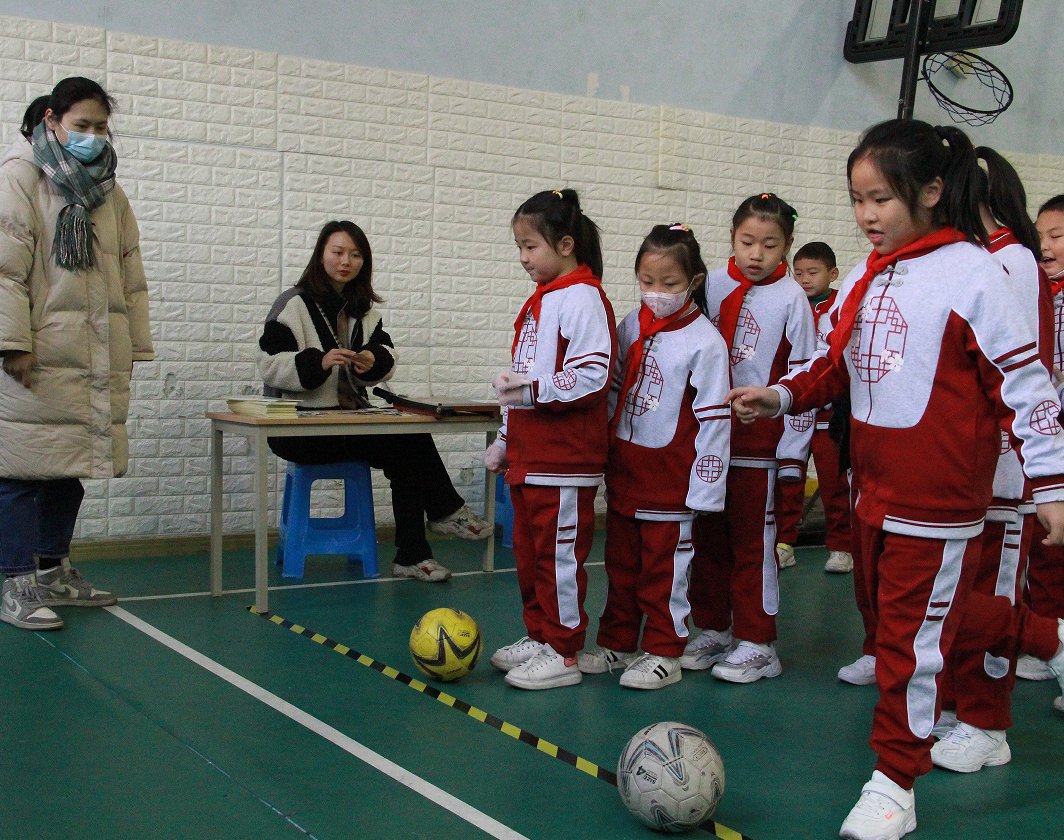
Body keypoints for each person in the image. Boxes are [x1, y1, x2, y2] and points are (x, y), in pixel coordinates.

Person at [728, 118, 1064, 840]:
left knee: (911, 643)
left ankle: (894, 781)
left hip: (939, 500)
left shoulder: (977, 273)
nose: (866, 215)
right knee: (900, 631)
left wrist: (1052, 481)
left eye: (879, 198)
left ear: (932, 191)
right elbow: (830, 365)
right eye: (856, 199)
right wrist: (780, 396)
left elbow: (1025, 383)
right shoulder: (865, 275)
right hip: (871, 490)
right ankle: (1049, 637)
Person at [0, 77, 154, 630]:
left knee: (69, 468)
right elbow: (5, 271)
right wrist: (11, 341)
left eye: (100, 127)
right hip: (36, 351)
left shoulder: (111, 194)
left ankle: (54, 570)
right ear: (51, 120)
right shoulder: (20, 177)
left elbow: (129, 277)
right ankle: (15, 581)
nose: (91, 137)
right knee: (19, 469)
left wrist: (133, 343)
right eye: (81, 125)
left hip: (91, 354)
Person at [258, 220, 491, 584]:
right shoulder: (292, 304)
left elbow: (387, 356)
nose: (345, 261)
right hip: (298, 429)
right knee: (408, 443)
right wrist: (316, 362)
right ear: (320, 255)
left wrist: (372, 362)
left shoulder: (364, 310)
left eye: (355, 255)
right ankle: (441, 517)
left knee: (408, 441)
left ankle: (416, 554)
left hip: (351, 423)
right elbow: (268, 364)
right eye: (337, 252)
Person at [931, 147, 1052, 773]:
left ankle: (988, 721)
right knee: (952, 594)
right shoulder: (968, 258)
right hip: (964, 469)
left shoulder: (1010, 259)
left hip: (1006, 469)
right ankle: (955, 705)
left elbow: (1020, 375)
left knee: (992, 592)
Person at [578, 224, 731, 690]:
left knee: (664, 571)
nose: (656, 292)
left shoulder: (706, 342)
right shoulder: (630, 325)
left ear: (695, 280)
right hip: (626, 472)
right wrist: (599, 448)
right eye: (647, 281)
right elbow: (614, 390)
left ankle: (666, 649)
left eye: (669, 283)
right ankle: (618, 643)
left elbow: (714, 419)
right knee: (621, 566)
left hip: (672, 481)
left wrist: (706, 486)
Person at [485, 188, 617, 690]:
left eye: (530, 246)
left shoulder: (583, 297)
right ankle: (540, 634)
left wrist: (531, 390)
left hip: (565, 462)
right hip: (529, 458)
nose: (522, 258)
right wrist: (504, 437)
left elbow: (592, 375)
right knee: (530, 554)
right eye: (518, 247)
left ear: (565, 244)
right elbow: (521, 378)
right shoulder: (540, 302)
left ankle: (564, 651)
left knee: (560, 558)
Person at [683, 192, 816, 683]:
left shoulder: (793, 299)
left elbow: (805, 373)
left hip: (759, 446)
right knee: (707, 542)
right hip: (709, 444)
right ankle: (714, 629)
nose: (756, 254)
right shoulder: (711, 285)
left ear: (787, 247)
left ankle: (759, 642)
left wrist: (791, 455)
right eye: (747, 242)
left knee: (753, 546)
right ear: (732, 240)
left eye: (770, 244)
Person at [775, 241, 854, 574]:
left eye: (813, 272)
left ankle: (841, 546)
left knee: (834, 482)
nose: (804, 279)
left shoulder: (841, 307)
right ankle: (784, 542)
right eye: (799, 273)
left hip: (826, 412)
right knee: (787, 477)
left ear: (832, 274)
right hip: (793, 409)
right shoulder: (789, 303)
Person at [1019, 193, 1064, 684]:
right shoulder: (1040, 291)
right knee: (1045, 542)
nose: (1045, 246)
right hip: (1048, 430)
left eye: (1056, 236)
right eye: (1040, 236)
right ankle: (1048, 629)